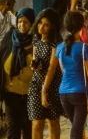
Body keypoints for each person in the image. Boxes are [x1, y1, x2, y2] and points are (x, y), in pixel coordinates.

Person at [53, 11, 88, 139]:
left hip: (63, 93)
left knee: (76, 128)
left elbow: (63, 70)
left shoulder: (59, 48)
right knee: (76, 130)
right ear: (82, 26)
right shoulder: (83, 48)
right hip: (80, 92)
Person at [28, 8, 64, 139]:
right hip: (37, 83)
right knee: (37, 123)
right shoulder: (36, 39)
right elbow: (34, 58)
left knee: (53, 122)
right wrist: (35, 66)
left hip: (52, 85)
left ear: (53, 27)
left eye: (46, 24)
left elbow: (52, 67)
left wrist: (44, 91)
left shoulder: (56, 42)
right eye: (40, 23)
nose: (41, 27)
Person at [0, 7, 35, 139]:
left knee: (27, 130)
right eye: (19, 21)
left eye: (25, 22)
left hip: (29, 94)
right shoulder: (10, 37)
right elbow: (1, 57)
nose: (22, 25)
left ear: (31, 23)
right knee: (12, 130)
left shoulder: (35, 40)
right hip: (10, 93)